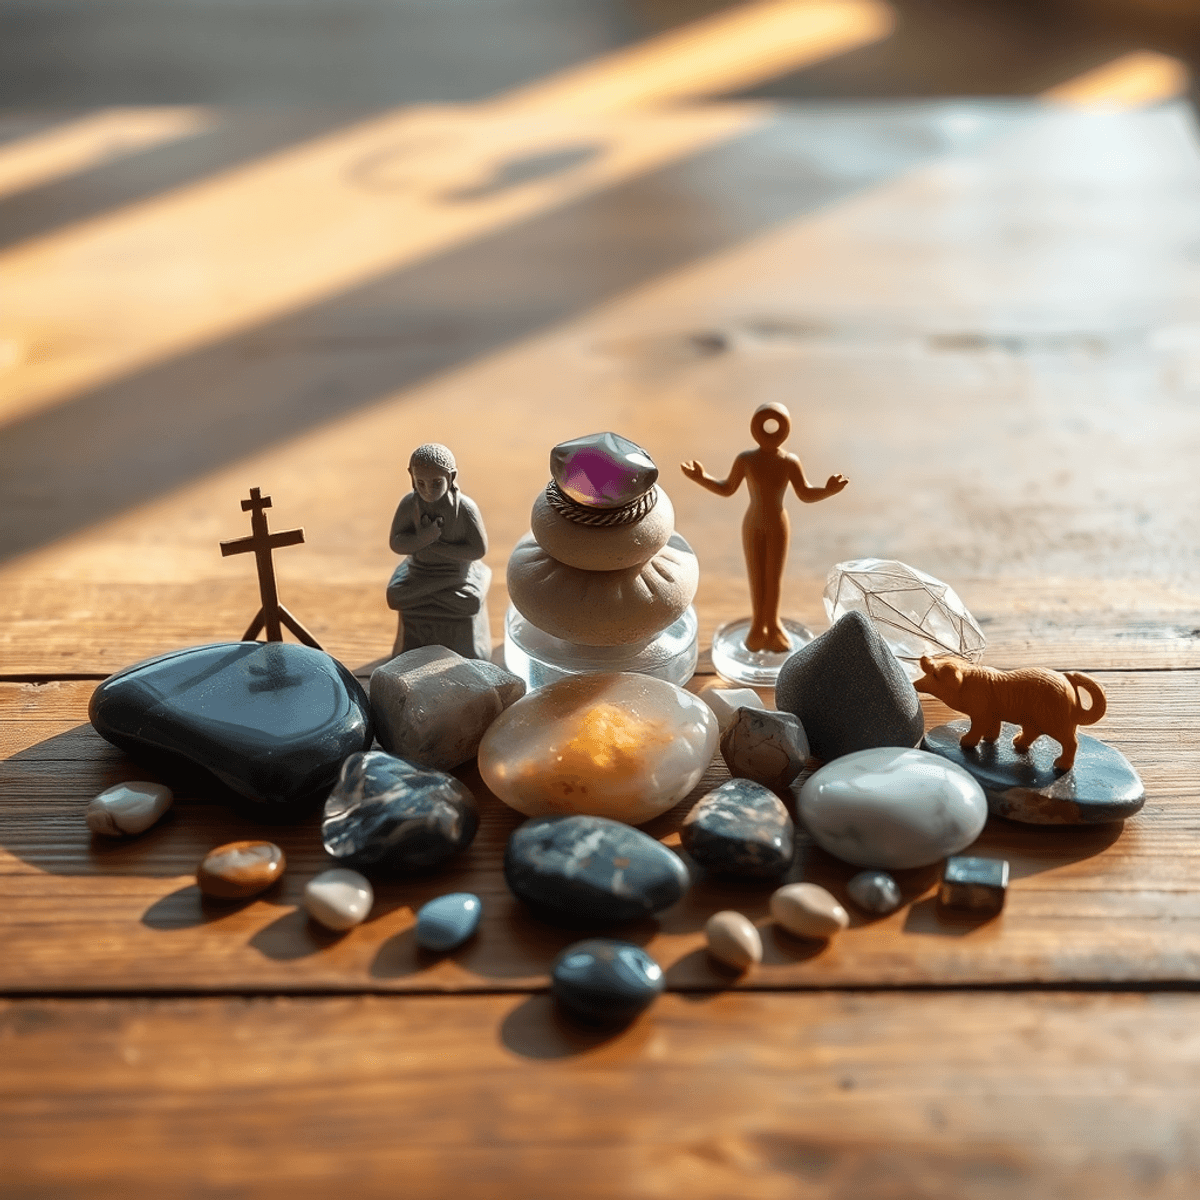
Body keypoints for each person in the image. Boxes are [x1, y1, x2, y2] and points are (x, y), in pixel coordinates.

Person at [682, 403, 847, 654]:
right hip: (753, 523)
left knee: (773, 577)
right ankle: (758, 628)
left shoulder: (789, 462)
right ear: (755, 428)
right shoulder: (746, 460)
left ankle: (773, 625)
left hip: (778, 524)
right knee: (756, 575)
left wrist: (828, 490)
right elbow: (727, 488)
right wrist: (701, 477)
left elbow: (804, 493)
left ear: (785, 429)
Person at [386, 443, 491, 658]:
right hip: (418, 573)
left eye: (436, 483)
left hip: (456, 576)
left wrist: (435, 544)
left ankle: (467, 652)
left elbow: (478, 550)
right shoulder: (409, 504)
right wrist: (421, 539)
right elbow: (396, 543)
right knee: (395, 597)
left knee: (469, 602)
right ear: (411, 476)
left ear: (451, 477)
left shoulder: (465, 509)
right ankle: (435, 592)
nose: (428, 490)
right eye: (420, 482)